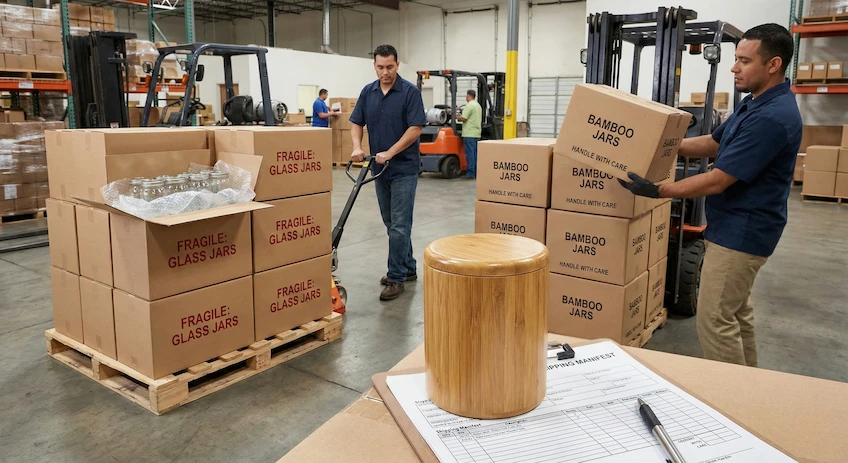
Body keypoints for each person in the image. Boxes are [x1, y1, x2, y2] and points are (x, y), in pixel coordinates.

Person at [619, 24, 801, 367]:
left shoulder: (772, 118)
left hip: (741, 234)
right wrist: (659, 144)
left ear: (773, 64)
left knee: (715, 320)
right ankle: (753, 386)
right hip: (732, 227)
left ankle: (733, 400)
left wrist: (657, 191)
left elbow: (717, 180)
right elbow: (712, 143)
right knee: (737, 313)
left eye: (744, 61)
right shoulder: (754, 104)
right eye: (735, 59)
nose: (734, 68)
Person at [349, 45, 426, 301]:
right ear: (374, 66)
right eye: (380, 67)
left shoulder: (409, 93)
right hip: (379, 169)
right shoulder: (368, 92)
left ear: (398, 64)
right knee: (391, 223)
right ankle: (409, 267)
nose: (385, 72)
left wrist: (391, 152)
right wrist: (357, 147)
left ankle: (396, 278)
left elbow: (415, 128)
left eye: (390, 67)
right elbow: (356, 122)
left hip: (403, 168)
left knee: (400, 225)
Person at [456, 89, 482, 179]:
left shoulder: (469, 105)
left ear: (468, 96)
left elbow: (464, 118)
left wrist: (455, 116)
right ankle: (476, 171)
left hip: (469, 133)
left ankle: (471, 173)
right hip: (476, 133)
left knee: (470, 154)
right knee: (475, 154)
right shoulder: (478, 105)